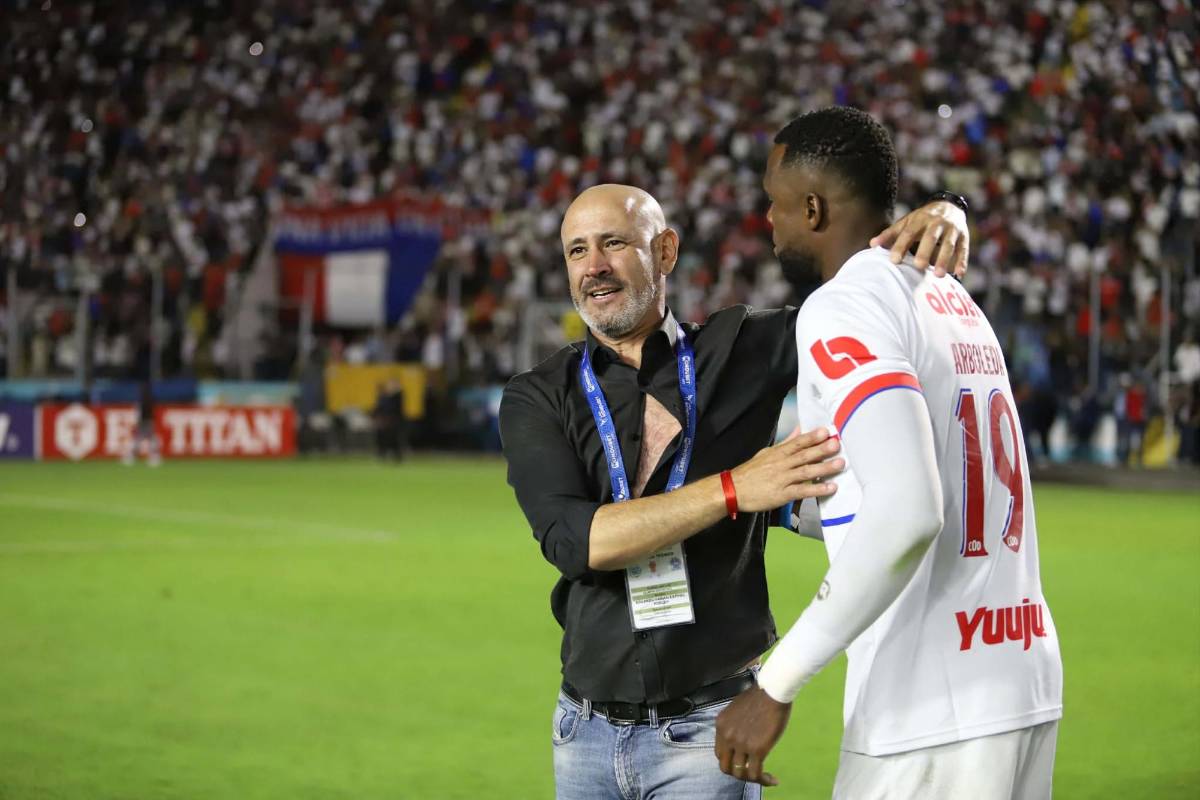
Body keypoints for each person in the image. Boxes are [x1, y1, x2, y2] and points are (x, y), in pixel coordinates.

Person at [499, 181, 971, 798]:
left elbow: (876, 306)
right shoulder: (538, 395)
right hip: (583, 732)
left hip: (706, 732)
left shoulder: (743, 347)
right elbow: (575, 542)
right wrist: (735, 489)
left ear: (665, 251)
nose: (594, 267)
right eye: (577, 251)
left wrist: (949, 209)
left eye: (613, 243)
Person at [714, 106, 1063, 798]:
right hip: (1017, 677)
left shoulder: (843, 306)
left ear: (811, 208)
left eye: (773, 201)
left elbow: (909, 510)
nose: (768, 219)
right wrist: (778, 509)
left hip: (929, 707)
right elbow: (912, 486)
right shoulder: (950, 298)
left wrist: (774, 684)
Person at [123, 380, 162, 467]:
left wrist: (138, 421)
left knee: (139, 439)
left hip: (144, 421)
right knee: (149, 439)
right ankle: (154, 457)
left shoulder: (142, 400)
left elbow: (139, 412)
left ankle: (132, 457)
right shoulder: (151, 399)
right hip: (149, 421)